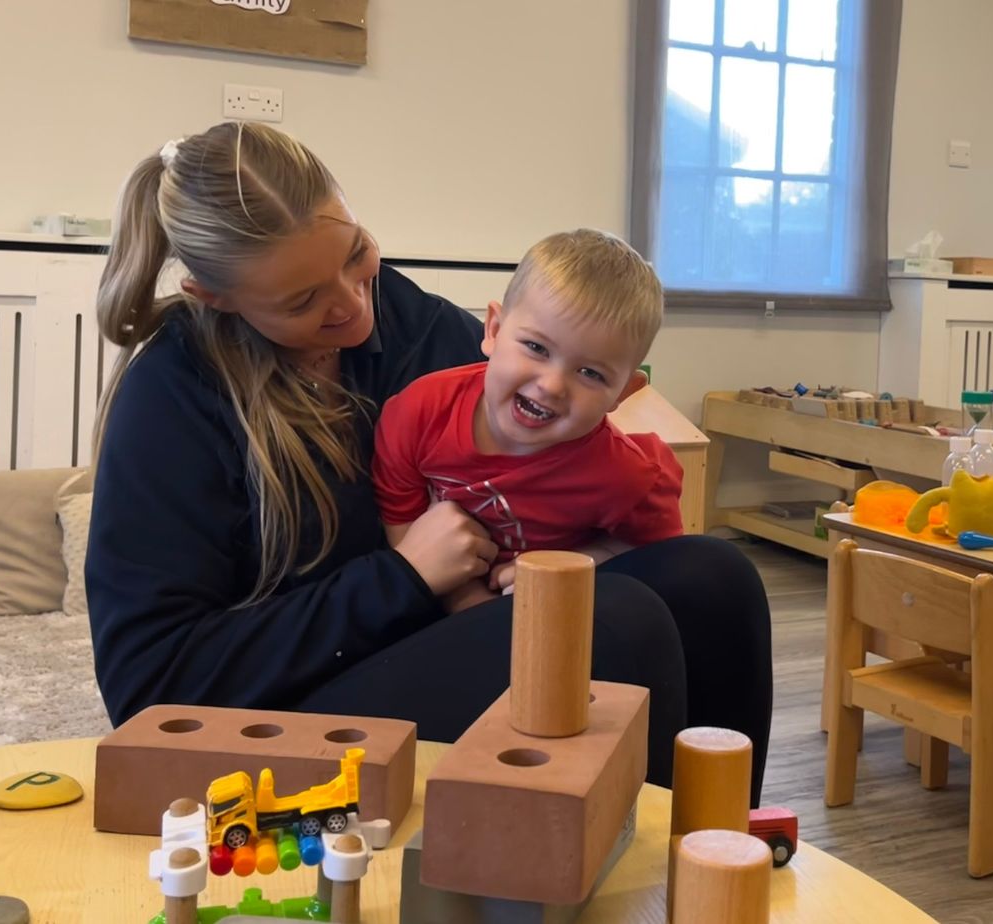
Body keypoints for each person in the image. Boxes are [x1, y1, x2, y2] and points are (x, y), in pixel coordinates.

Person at [84, 121, 773, 799]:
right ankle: (629, 857)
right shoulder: (171, 396)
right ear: (214, 296)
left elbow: (562, 453)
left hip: (441, 631)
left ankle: (720, 847)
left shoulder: (416, 327)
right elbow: (150, 690)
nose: (353, 306)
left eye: (357, 255)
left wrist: (587, 550)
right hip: (283, 711)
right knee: (613, 622)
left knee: (712, 577)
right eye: (301, 301)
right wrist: (404, 576)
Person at [372, 229, 682, 614]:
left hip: (554, 614)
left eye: (590, 373)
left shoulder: (627, 476)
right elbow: (402, 522)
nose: (551, 385)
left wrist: (572, 565)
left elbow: (657, 557)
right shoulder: (418, 412)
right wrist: (467, 602)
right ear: (493, 330)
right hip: (438, 607)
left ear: (623, 392)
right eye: (536, 348)